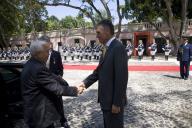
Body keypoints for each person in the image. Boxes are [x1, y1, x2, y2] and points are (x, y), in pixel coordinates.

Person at [21, 39, 83, 128]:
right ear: (38, 53)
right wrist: (76, 89)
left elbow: (53, 76)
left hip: (34, 113)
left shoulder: (31, 64)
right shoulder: (38, 68)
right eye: (47, 51)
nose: (48, 54)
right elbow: (56, 88)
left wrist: (64, 82)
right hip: (40, 117)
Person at [78, 19, 128, 128]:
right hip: (106, 101)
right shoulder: (107, 48)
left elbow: (122, 78)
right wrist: (85, 83)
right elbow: (99, 71)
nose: (96, 36)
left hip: (113, 103)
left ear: (107, 32)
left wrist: (117, 103)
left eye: (98, 33)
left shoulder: (118, 48)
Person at [39, 36, 69, 127]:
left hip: (55, 82)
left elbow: (60, 68)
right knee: (46, 102)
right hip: (44, 83)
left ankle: (63, 120)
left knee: (58, 102)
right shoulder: (39, 55)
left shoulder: (56, 54)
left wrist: (59, 76)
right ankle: (49, 122)